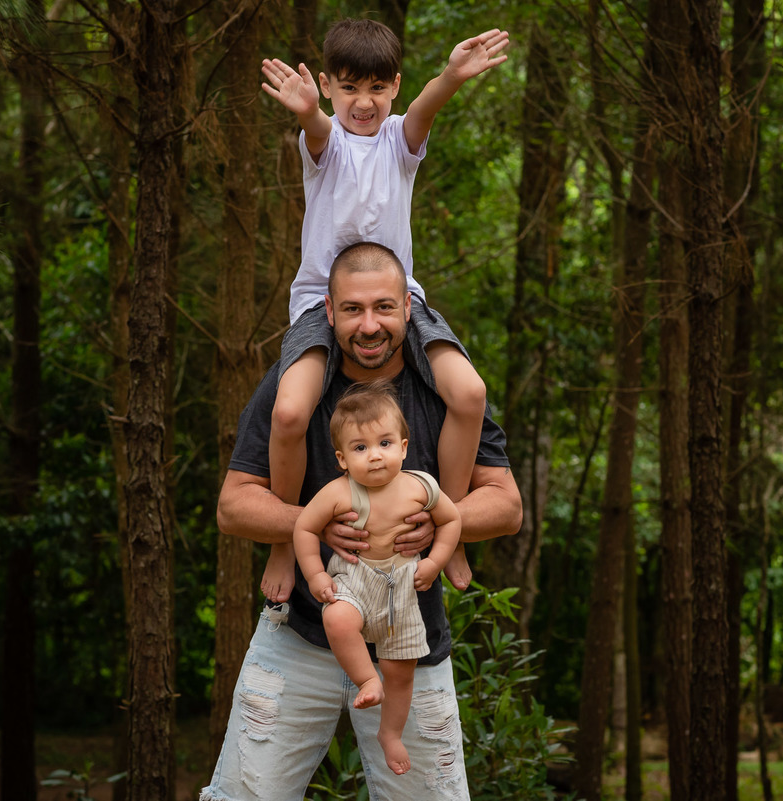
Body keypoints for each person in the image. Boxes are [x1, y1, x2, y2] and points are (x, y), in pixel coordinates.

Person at [201, 242, 522, 801]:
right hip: (301, 632)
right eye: (352, 310)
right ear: (328, 311)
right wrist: (312, 523)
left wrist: (442, 524)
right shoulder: (298, 384)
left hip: (410, 639)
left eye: (383, 308)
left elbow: (506, 504)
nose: (369, 325)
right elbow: (232, 505)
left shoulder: (441, 391)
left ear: (408, 309)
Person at [257, 18, 510, 604]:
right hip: (325, 303)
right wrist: (304, 111)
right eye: (348, 88)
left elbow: (424, 110)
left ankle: (452, 527)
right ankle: (280, 537)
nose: (363, 102)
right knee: (291, 412)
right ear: (327, 86)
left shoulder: (401, 140)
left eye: (376, 88)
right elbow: (318, 128)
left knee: (469, 395)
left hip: (401, 301)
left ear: (394, 86)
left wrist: (450, 75)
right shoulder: (324, 145)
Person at [294, 380, 462, 775]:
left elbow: (452, 520)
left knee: (402, 673)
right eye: (360, 448)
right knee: (336, 617)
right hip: (355, 577)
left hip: (402, 587)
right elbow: (303, 527)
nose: (374, 456)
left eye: (385, 444)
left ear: (403, 447)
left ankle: (390, 734)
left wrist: (435, 561)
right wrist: (316, 574)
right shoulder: (338, 492)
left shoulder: (421, 486)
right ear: (341, 459)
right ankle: (367, 680)